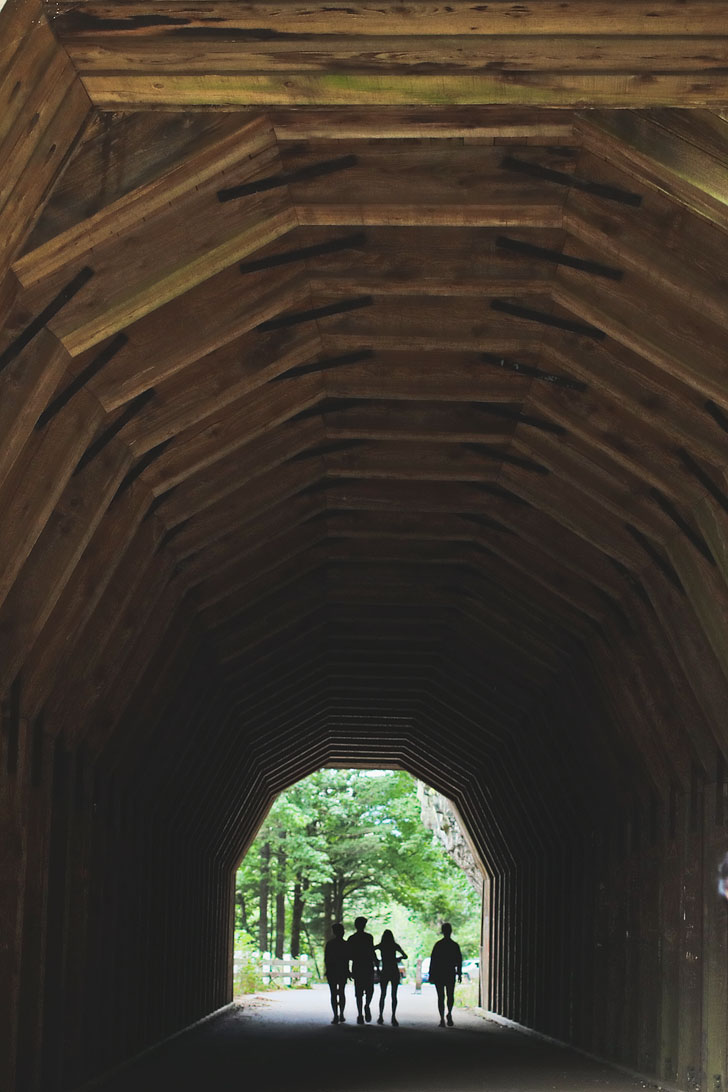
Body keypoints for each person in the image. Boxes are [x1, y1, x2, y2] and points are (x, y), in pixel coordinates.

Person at [428, 922, 462, 1027]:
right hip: (450, 973)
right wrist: (459, 974)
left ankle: (442, 1019)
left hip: (439, 973)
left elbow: (433, 960)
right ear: (451, 932)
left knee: (441, 996)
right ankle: (449, 1013)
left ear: (442, 932)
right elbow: (459, 961)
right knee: (450, 995)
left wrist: (431, 974)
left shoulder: (438, 945)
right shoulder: (454, 945)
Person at [347, 916, 379, 1024]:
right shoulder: (368, 937)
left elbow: (349, 955)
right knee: (368, 990)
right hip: (366, 966)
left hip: (358, 966)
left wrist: (349, 969)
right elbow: (371, 951)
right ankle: (364, 1008)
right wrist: (377, 965)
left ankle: (361, 1012)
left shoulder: (352, 938)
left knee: (359, 992)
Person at [374, 928, 407, 1026]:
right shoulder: (395, 945)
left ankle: (380, 1016)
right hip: (394, 971)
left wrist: (377, 961)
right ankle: (393, 1017)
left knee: (383, 994)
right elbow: (405, 956)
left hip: (385, 971)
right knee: (394, 995)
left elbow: (371, 950)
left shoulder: (381, 945)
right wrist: (397, 958)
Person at [324, 922, 350, 1024]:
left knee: (333, 993)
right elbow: (347, 959)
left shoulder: (330, 944)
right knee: (342, 992)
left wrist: (327, 969)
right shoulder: (346, 944)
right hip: (342, 970)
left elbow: (327, 959)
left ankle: (335, 1015)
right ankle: (341, 1014)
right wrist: (348, 971)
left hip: (332, 971)